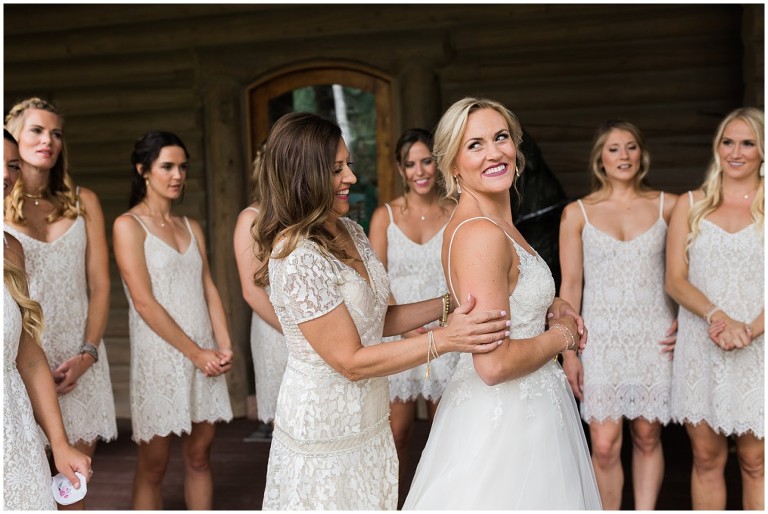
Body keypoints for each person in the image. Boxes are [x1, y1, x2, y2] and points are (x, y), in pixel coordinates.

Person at [252, 111, 510, 510]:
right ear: (305, 175)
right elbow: (350, 360)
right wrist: (446, 339)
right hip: (324, 428)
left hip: (368, 418)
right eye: (337, 169)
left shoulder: (349, 230)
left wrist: (447, 307)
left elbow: (376, 319)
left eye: (348, 164)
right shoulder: (298, 256)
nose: (351, 178)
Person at [402, 97, 601, 510]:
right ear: (453, 164)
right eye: (474, 145)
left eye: (501, 137)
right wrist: (560, 336)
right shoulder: (480, 233)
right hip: (506, 422)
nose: (494, 152)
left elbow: (510, 294)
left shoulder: (498, 222)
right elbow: (493, 365)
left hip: (535, 409)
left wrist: (553, 303)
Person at [558, 120, 679, 509]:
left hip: (654, 337)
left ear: (641, 154)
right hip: (600, 340)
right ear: (600, 159)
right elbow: (570, 287)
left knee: (647, 437)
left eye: (631, 147)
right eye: (614, 148)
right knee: (606, 445)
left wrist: (689, 321)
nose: (623, 156)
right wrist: (569, 351)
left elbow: (690, 273)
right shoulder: (577, 213)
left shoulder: (672, 206)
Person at [4, 98, 116, 509]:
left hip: (77, 356)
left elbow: (101, 284)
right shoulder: (1, 204)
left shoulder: (84, 202)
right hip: (21, 354)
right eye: (36, 130)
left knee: (73, 490)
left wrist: (87, 353)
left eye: (56, 133)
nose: (48, 140)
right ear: (14, 137)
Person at [113, 131, 234, 509]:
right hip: (161, 356)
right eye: (167, 166)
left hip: (205, 355)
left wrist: (223, 344)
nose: (177, 175)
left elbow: (209, 288)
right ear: (143, 170)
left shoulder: (190, 226)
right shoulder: (128, 226)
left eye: (183, 167)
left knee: (200, 456)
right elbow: (144, 303)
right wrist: (196, 353)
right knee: (154, 465)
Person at [665, 107, 764, 510]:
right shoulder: (691, 204)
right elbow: (675, 279)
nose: (735, 152)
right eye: (728, 141)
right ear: (716, 147)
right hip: (702, 343)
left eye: (748, 143)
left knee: (757, 461)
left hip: (760, 346)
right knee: (706, 459)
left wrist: (750, 329)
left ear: (763, 151)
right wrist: (718, 317)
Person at [368, 128, 459, 498]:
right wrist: (405, 330)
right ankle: (395, 503)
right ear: (401, 170)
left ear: (437, 164)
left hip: (448, 330)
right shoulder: (384, 217)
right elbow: (376, 280)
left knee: (447, 431)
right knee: (397, 433)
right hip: (399, 334)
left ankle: (444, 503)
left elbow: (463, 270)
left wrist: (449, 323)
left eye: (426, 161)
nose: (420, 171)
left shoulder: (456, 211)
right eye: (411, 164)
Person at [233, 146, 288, 441]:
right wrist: (295, 331)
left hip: (314, 325)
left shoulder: (302, 217)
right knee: (286, 422)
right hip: (275, 328)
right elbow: (251, 292)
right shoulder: (251, 219)